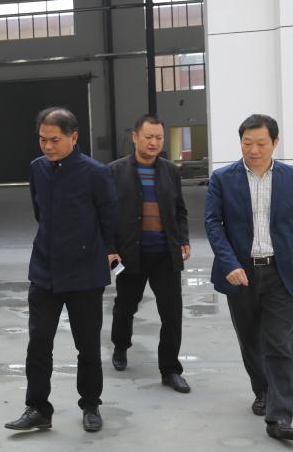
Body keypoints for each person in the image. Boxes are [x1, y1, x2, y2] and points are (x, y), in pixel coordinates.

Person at [5, 107, 117, 434]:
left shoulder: (95, 173)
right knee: (38, 343)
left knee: (88, 346)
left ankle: (91, 404)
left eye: (55, 140)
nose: (48, 146)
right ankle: (38, 408)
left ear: (74, 137)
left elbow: (109, 219)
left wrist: (108, 252)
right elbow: (39, 213)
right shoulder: (37, 169)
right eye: (43, 139)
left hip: (85, 274)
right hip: (45, 271)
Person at [205, 114, 293, 441]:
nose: (253, 150)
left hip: (280, 272)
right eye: (247, 143)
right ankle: (262, 389)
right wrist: (229, 263)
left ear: (275, 143)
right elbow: (213, 223)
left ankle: (279, 416)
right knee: (250, 338)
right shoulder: (223, 178)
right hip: (241, 273)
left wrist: (291, 263)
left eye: (261, 143)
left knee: (280, 344)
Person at [108, 114, 191, 393]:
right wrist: (110, 250)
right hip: (131, 253)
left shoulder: (170, 171)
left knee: (172, 314)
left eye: (159, 138)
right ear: (135, 137)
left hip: (165, 254)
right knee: (125, 307)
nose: (154, 142)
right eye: (148, 137)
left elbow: (180, 210)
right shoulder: (115, 171)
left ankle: (170, 370)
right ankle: (120, 345)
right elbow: (105, 215)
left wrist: (183, 239)